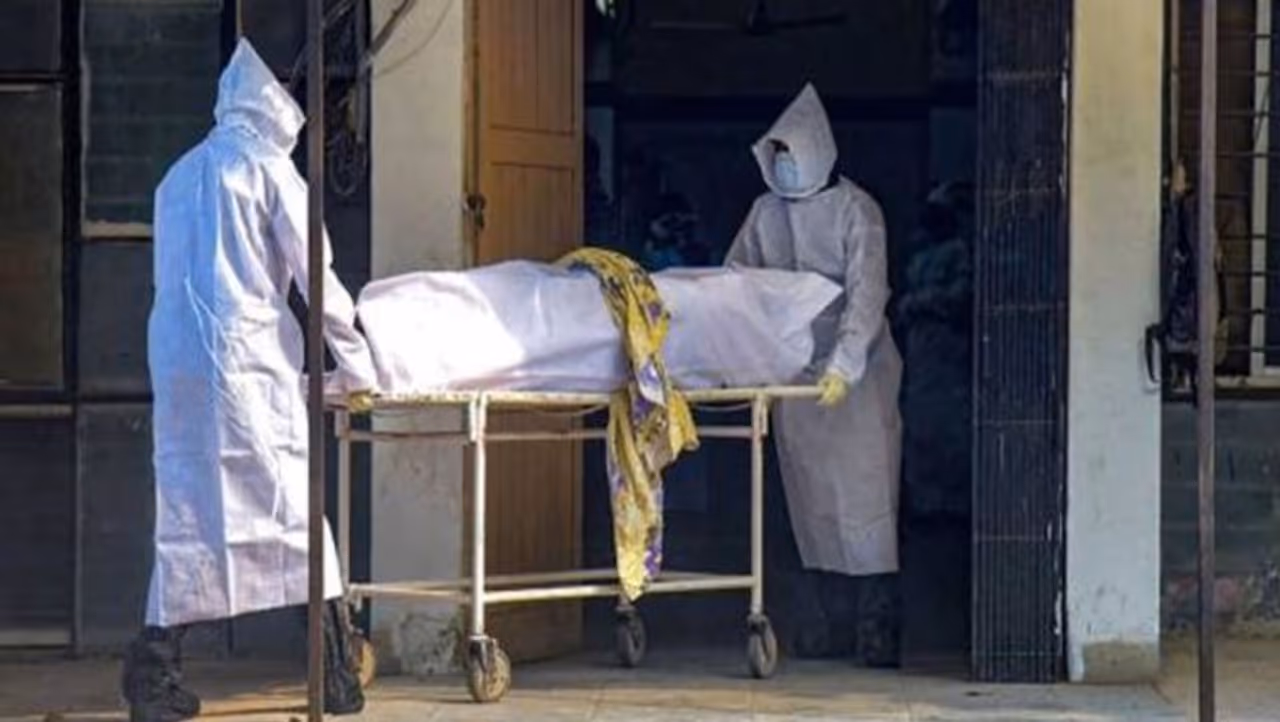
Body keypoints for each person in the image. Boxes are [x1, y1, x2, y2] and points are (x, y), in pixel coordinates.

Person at [120, 39, 376, 722]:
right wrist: (356, 362)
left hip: (181, 368)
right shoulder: (268, 171)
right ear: (275, 112)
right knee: (295, 514)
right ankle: (335, 674)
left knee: (187, 517)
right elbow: (317, 279)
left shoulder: (177, 177)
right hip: (247, 368)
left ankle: (152, 675)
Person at [725, 83, 903, 666]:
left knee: (865, 501)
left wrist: (844, 365)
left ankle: (877, 632)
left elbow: (867, 294)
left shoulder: (858, 211)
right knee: (810, 507)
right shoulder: (765, 212)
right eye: (776, 156)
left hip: (858, 380)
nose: (786, 166)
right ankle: (825, 628)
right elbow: (736, 281)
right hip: (794, 374)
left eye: (792, 154)